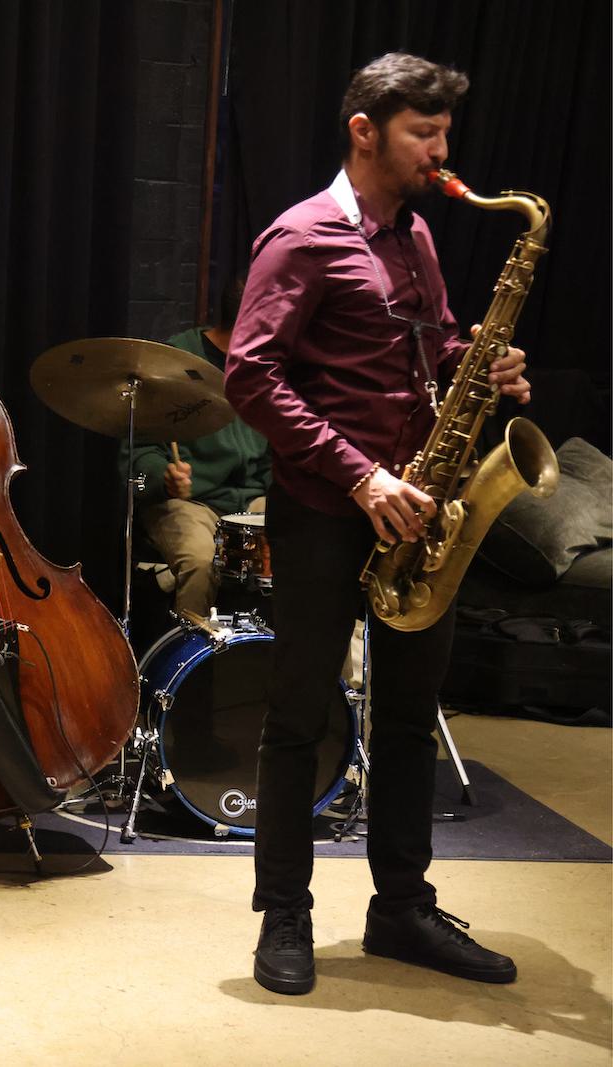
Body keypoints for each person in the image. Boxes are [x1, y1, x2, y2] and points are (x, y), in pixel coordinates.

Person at [225, 53, 531, 995]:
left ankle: (400, 907)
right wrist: (362, 478)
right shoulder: (301, 237)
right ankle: (285, 912)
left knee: (405, 719)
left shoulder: (418, 237)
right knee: (298, 717)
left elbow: (429, 342)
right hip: (329, 508)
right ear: (365, 131)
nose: (442, 153)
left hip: (420, 512)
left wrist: (479, 363)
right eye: (423, 134)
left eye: (445, 134)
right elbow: (249, 374)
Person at [119, 275, 269, 620]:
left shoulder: (263, 367)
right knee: (203, 561)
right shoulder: (175, 362)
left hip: (249, 501)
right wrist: (162, 479)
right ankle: (191, 668)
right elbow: (133, 472)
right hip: (189, 503)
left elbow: (274, 458)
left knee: (310, 547)